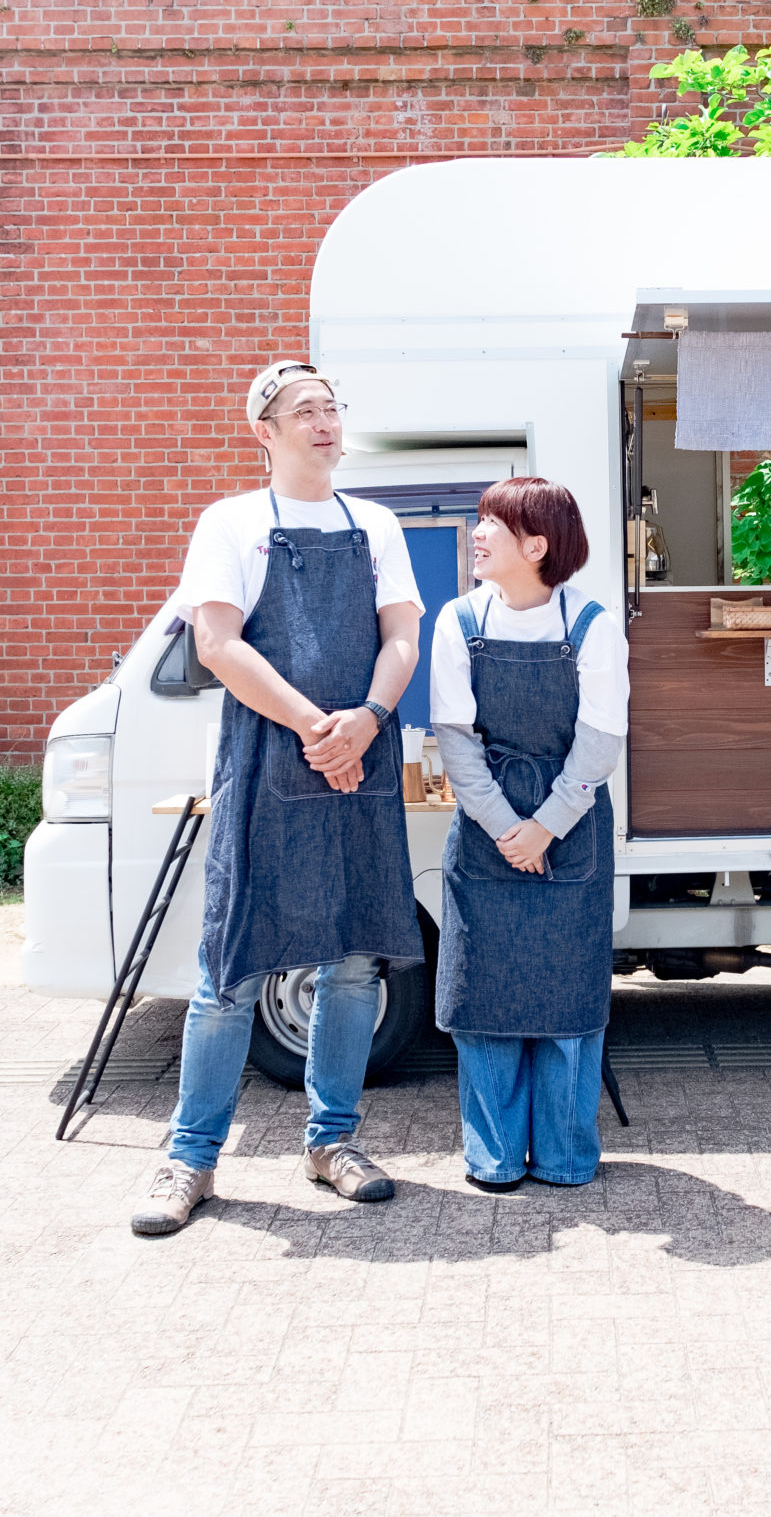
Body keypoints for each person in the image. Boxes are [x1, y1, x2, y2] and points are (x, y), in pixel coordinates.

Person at [131, 360, 426, 1237]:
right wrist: (314, 726)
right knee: (230, 967)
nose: (325, 421)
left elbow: (403, 635)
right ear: (264, 430)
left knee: (350, 962)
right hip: (269, 756)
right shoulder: (229, 524)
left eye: (333, 408)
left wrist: (367, 721)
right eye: (306, 410)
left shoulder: (373, 524)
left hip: (361, 757)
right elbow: (218, 643)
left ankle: (332, 1141)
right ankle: (190, 1158)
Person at [429, 477, 629, 1191]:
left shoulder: (594, 626)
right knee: (483, 1000)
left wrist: (543, 826)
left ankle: (569, 1156)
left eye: (491, 522)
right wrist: (508, 827)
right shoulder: (458, 621)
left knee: (568, 1002)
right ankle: (495, 1157)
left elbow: (601, 743)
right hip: (486, 833)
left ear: (536, 545)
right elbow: (455, 741)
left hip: (570, 831)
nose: (476, 532)